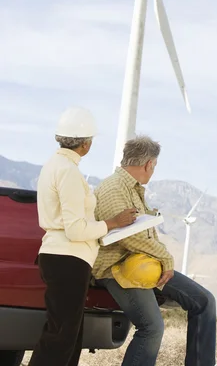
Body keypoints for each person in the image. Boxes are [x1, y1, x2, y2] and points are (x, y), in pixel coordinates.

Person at [93, 135, 216, 366]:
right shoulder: (113, 189)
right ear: (149, 164)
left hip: (145, 266)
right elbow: (129, 238)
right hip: (118, 269)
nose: (153, 171)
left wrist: (161, 258)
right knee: (152, 327)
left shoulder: (132, 188)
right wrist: (166, 257)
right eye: (155, 166)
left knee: (204, 301)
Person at [29, 107, 137, 366]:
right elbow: (75, 229)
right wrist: (112, 223)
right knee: (61, 336)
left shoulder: (53, 166)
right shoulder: (68, 172)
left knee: (70, 335)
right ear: (86, 144)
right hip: (68, 259)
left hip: (61, 258)